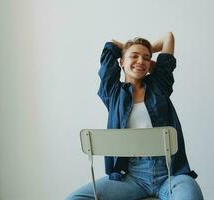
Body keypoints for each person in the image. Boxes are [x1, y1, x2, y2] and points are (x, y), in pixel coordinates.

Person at [66, 32, 204, 200]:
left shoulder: (160, 85)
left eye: (146, 58)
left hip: (170, 173)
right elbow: (109, 47)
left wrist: (141, 52)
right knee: (75, 198)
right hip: (131, 177)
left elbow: (168, 37)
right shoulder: (113, 92)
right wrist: (128, 49)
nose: (141, 61)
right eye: (134, 56)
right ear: (121, 62)